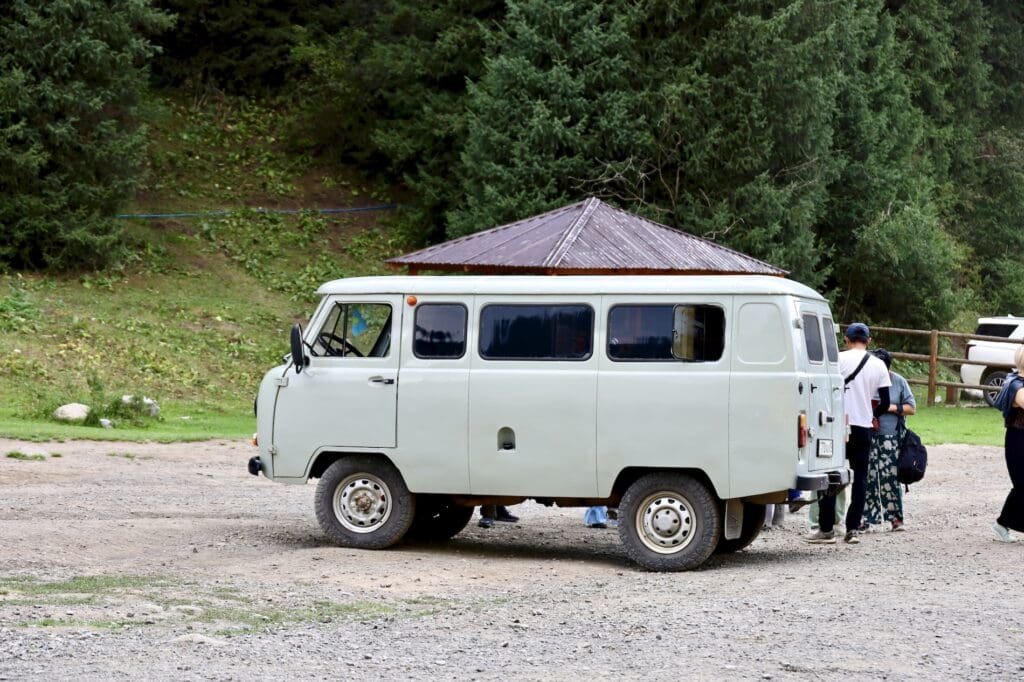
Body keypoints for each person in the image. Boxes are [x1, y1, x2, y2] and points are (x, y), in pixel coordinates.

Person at [806, 322, 890, 545]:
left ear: (846, 339)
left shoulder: (838, 360)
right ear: (869, 340)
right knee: (860, 479)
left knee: (829, 475)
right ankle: (852, 528)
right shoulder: (879, 365)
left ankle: (826, 529)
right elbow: (886, 402)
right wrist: (873, 415)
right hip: (863, 426)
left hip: (838, 427)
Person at [862, 348, 916, 531]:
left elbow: (912, 407)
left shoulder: (899, 382)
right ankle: (868, 518)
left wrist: (890, 407)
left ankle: (895, 518)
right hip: (868, 433)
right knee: (868, 476)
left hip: (891, 436)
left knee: (890, 477)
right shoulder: (866, 380)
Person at [992, 345, 1024, 542]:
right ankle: (1002, 524)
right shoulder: (1016, 384)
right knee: (1022, 485)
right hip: (1018, 439)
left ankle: (1003, 524)